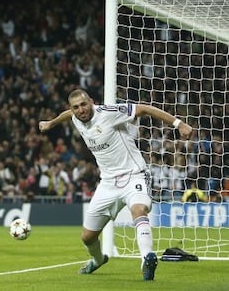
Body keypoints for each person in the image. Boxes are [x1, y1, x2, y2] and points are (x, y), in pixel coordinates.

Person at [39, 88, 193, 280]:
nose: (80, 110)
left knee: (138, 209)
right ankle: (97, 260)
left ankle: (147, 257)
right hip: (108, 183)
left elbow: (144, 108)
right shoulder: (75, 117)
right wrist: (50, 123)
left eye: (84, 105)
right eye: (76, 107)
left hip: (134, 174)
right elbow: (67, 114)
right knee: (87, 237)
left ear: (92, 102)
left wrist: (179, 124)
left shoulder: (109, 113)